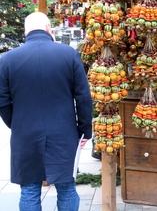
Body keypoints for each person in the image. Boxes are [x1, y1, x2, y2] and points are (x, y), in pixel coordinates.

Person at [0, 12, 92, 211]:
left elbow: (3, 103)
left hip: (25, 135)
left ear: (26, 31)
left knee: (29, 190)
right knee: (66, 187)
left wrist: (16, 123)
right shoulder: (69, 54)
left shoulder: (6, 60)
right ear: (49, 28)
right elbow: (83, 96)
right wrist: (85, 130)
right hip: (63, 133)